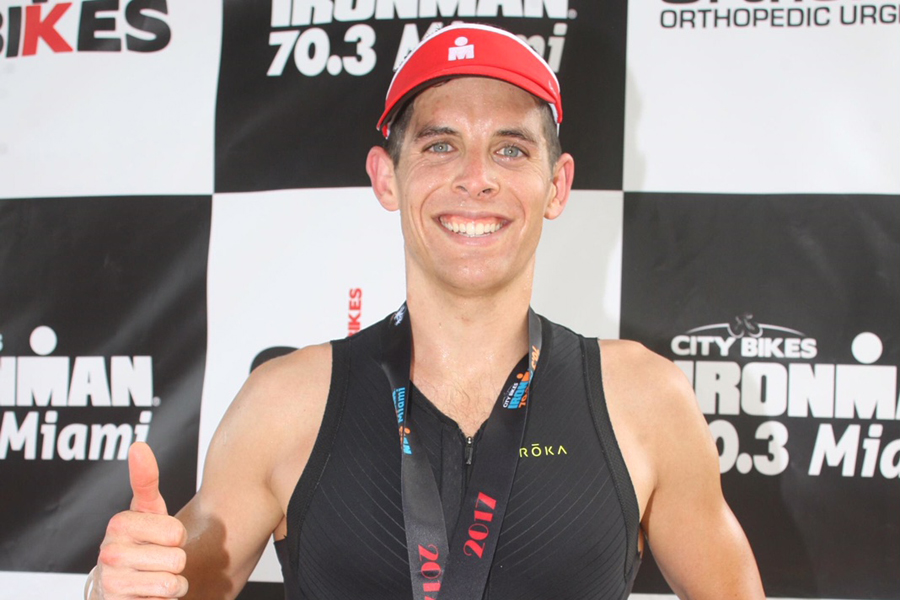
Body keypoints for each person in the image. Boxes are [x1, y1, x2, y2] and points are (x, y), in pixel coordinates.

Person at [86, 23, 765, 600]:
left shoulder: (643, 399)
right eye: (441, 145)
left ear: (556, 186)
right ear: (388, 177)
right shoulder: (285, 401)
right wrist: (116, 586)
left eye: (510, 147)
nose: (476, 176)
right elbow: (174, 586)